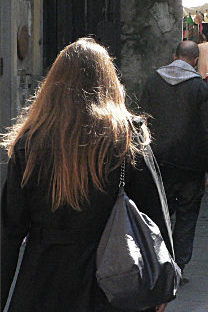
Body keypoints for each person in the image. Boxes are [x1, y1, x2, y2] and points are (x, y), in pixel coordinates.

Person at [1, 38, 173, 312]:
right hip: (111, 278)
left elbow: (9, 230)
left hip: (43, 282)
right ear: (109, 82)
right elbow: (155, 211)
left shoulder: (30, 143)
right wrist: (162, 281)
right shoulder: (127, 136)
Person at [140, 40, 208, 283]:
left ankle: (157, 263)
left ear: (174, 55)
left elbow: (141, 119)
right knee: (187, 217)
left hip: (159, 162)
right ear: (195, 60)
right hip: (190, 165)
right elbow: (207, 129)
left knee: (158, 214)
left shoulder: (153, 81)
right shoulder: (198, 87)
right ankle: (178, 266)